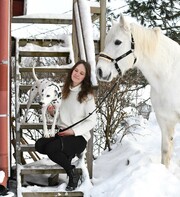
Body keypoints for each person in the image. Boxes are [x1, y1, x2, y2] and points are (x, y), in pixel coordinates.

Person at [35, 60, 96, 191]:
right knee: (39, 144)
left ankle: (72, 173)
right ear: (72, 71)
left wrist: (73, 131)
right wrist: (51, 113)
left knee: (51, 148)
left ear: (85, 77)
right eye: (76, 70)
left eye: (82, 73)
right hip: (63, 134)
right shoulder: (64, 91)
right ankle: (66, 156)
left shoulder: (87, 96)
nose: (77, 74)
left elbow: (92, 121)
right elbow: (60, 116)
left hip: (78, 138)